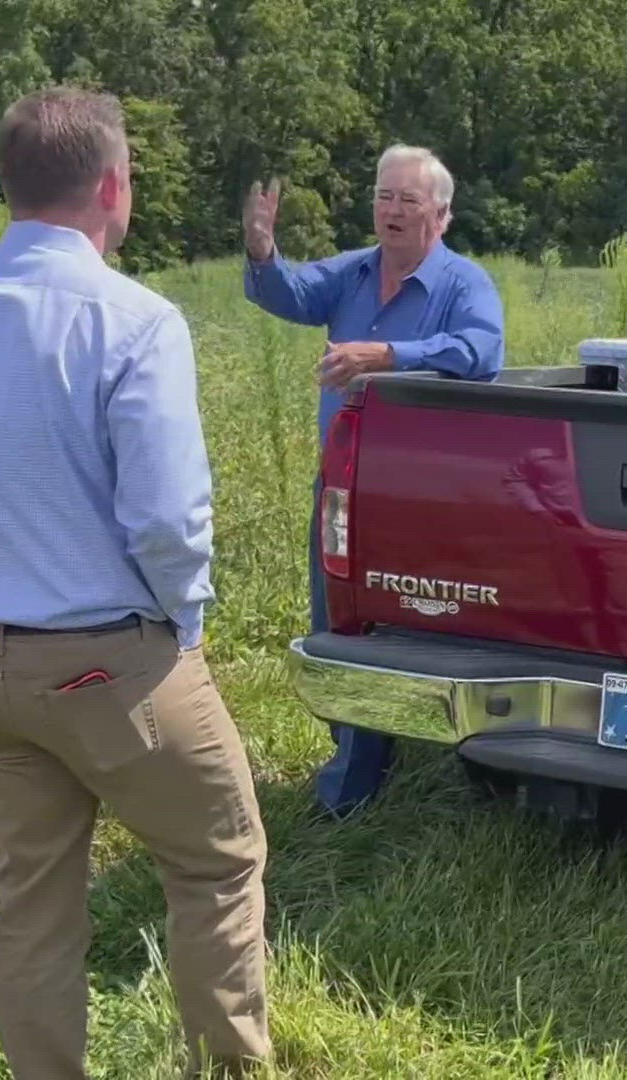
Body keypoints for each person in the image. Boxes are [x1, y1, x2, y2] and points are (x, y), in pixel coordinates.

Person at [0, 87, 268, 1078]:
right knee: (217, 862)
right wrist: (183, 622)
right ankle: (231, 1068)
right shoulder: (133, 320)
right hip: (109, 663)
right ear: (114, 186)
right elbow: (166, 518)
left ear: (9, 183)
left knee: (32, 901)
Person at [241, 144, 504, 817]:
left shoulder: (462, 283)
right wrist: (264, 253)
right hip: (348, 488)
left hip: (426, 493)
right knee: (341, 619)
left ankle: (462, 754)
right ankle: (351, 783)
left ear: (440, 215)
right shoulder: (354, 274)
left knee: (430, 617)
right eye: (383, 196)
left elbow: (481, 351)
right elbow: (293, 294)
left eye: (407, 200)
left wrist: (388, 356)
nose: (390, 210)